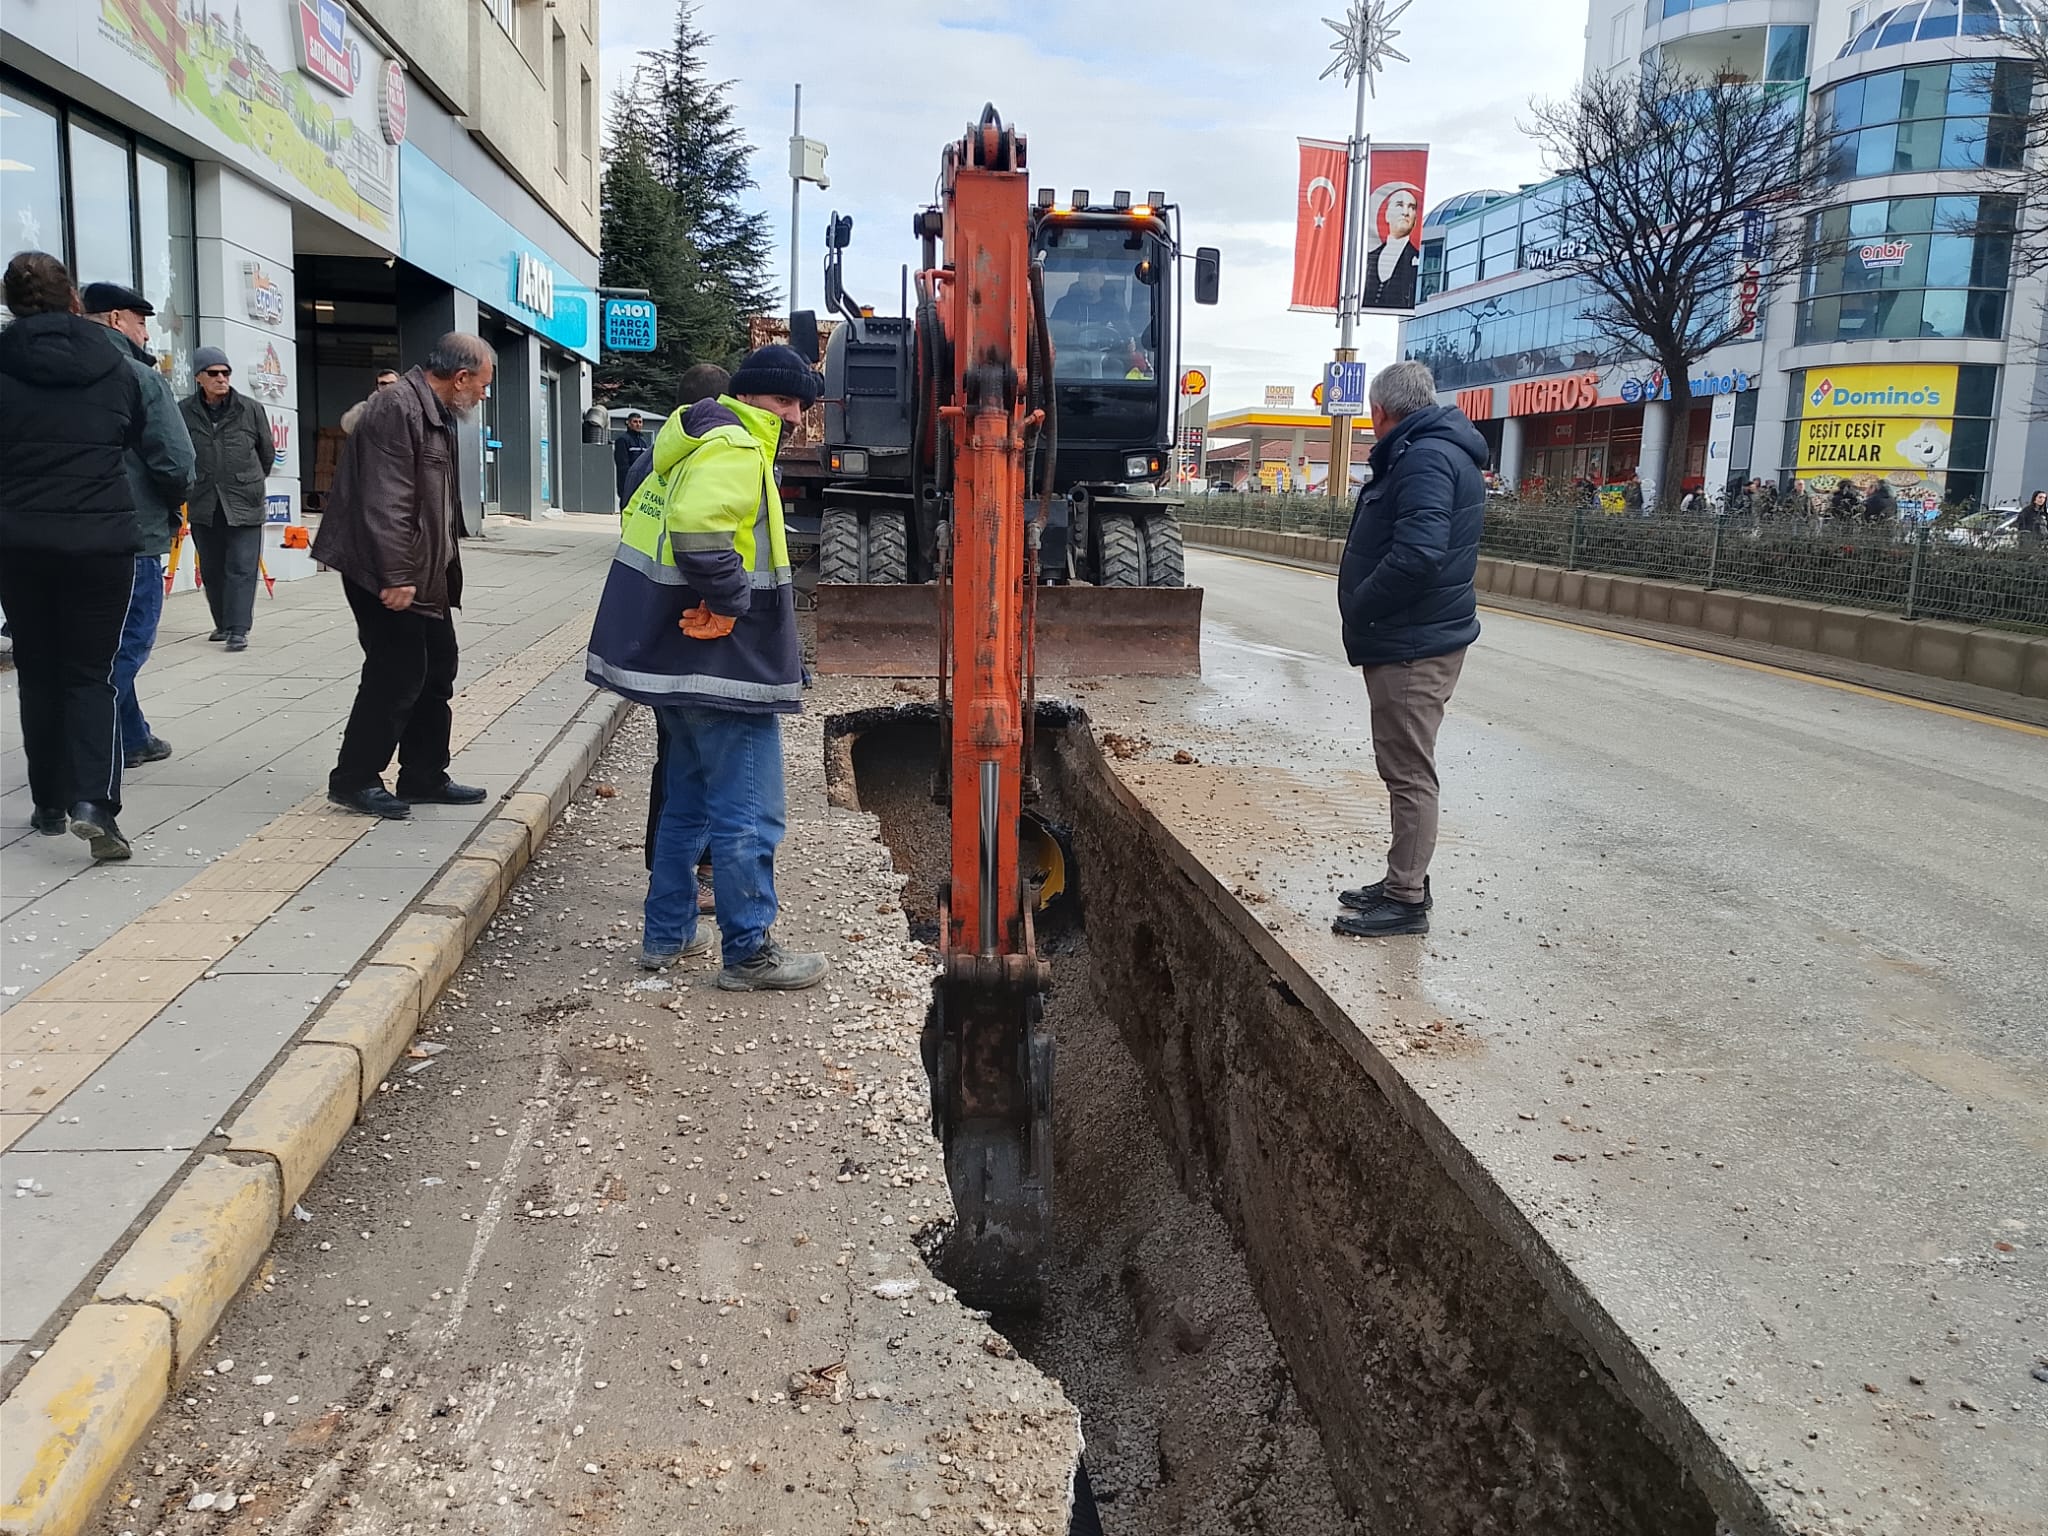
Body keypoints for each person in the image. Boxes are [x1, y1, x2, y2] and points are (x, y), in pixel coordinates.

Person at [587, 344, 830, 992]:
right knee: (749, 812)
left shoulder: (688, 438)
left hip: (677, 663)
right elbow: (699, 530)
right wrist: (730, 602)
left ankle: (665, 935)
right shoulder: (736, 447)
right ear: (749, 397)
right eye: (784, 403)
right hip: (726, 667)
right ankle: (749, 953)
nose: (794, 417)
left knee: (687, 807)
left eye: (801, 406)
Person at [0, 252, 149, 861]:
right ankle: (96, 804)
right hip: (100, 541)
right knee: (93, 672)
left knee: (38, 670)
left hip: (20, 541)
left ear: (11, 304)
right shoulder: (115, 365)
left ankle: (49, 801)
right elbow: (133, 437)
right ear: (72, 301)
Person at [314, 333, 496, 820]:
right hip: (385, 570)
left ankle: (423, 774)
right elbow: (386, 500)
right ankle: (354, 779)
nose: (483, 395)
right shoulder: (399, 408)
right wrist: (396, 576)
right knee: (395, 675)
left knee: (437, 669)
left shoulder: (433, 412)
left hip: (422, 569)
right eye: (482, 385)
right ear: (459, 378)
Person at [1332, 361, 1484, 938]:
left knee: (1408, 772)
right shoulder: (1435, 451)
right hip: (1414, 636)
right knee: (1403, 765)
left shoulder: (1423, 457)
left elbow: (1419, 555)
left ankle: (1406, 899)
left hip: (1412, 643)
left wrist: (1362, 605)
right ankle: (1403, 878)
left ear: (1381, 411)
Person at [81, 281, 195, 769]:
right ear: (114, 320)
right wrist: (170, 505)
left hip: (50, 538)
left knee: (92, 647)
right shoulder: (137, 378)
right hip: (130, 532)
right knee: (123, 648)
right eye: (141, 321)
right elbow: (177, 463)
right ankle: (85, 746)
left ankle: (132, 737)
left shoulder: (31, 375)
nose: (147, 333)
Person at [639, 363, 732, 910]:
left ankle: (682, 872)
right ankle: (684, 876)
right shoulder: (705, 455)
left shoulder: (660, 453)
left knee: (678, 757)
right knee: (691, 761)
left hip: (663, 626)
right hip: (691, 626)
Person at [180, 346, 272, 652]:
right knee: (212, 567)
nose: (221, 378)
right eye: (213, 373)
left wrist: (248, 480)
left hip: (244, 498)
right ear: (198, 378)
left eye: (226, 373)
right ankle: (222, 623)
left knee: (242, 567)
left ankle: (238, 629)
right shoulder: (184, 411)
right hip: (205, 500)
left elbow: (266, 454)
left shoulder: (250, 409)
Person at [1359, 185, 1421, 311]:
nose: (1406, 212)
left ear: (1415, 219)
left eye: (1412, 207)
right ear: (1387, 215)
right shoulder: (1369, 258)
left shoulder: (1418, 259)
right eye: (1399, 205)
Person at [339, 369, 401, 435]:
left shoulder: (407, 405)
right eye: (383, 384)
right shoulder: (366, 407)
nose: (388, 387)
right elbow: (348, 426)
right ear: (377, 387)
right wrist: (370, 407)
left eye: (392, 383)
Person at [613, 411, 650, 502]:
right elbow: (622, 465)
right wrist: (628, 483)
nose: (638, 424)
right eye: (635, 422)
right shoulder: (623, 440)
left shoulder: (643, 442)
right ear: (629, 424)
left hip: (641, 482)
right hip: (628, 483)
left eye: (640, 422)